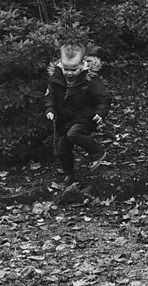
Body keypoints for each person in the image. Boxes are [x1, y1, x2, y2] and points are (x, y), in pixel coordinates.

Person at [44, 42, 110, 184]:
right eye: (66, 69)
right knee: (62, 147)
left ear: (82, 64)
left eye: (74, 69)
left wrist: (100, 112)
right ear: (61, 63)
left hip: (85, 116)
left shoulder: (90, 78)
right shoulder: (56, 77)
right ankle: (69, 174)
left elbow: (103, 98)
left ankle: (97, 152)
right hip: (66, 118)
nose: (69, 73)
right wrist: (50, 109)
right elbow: (50, 96)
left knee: (73, 134)